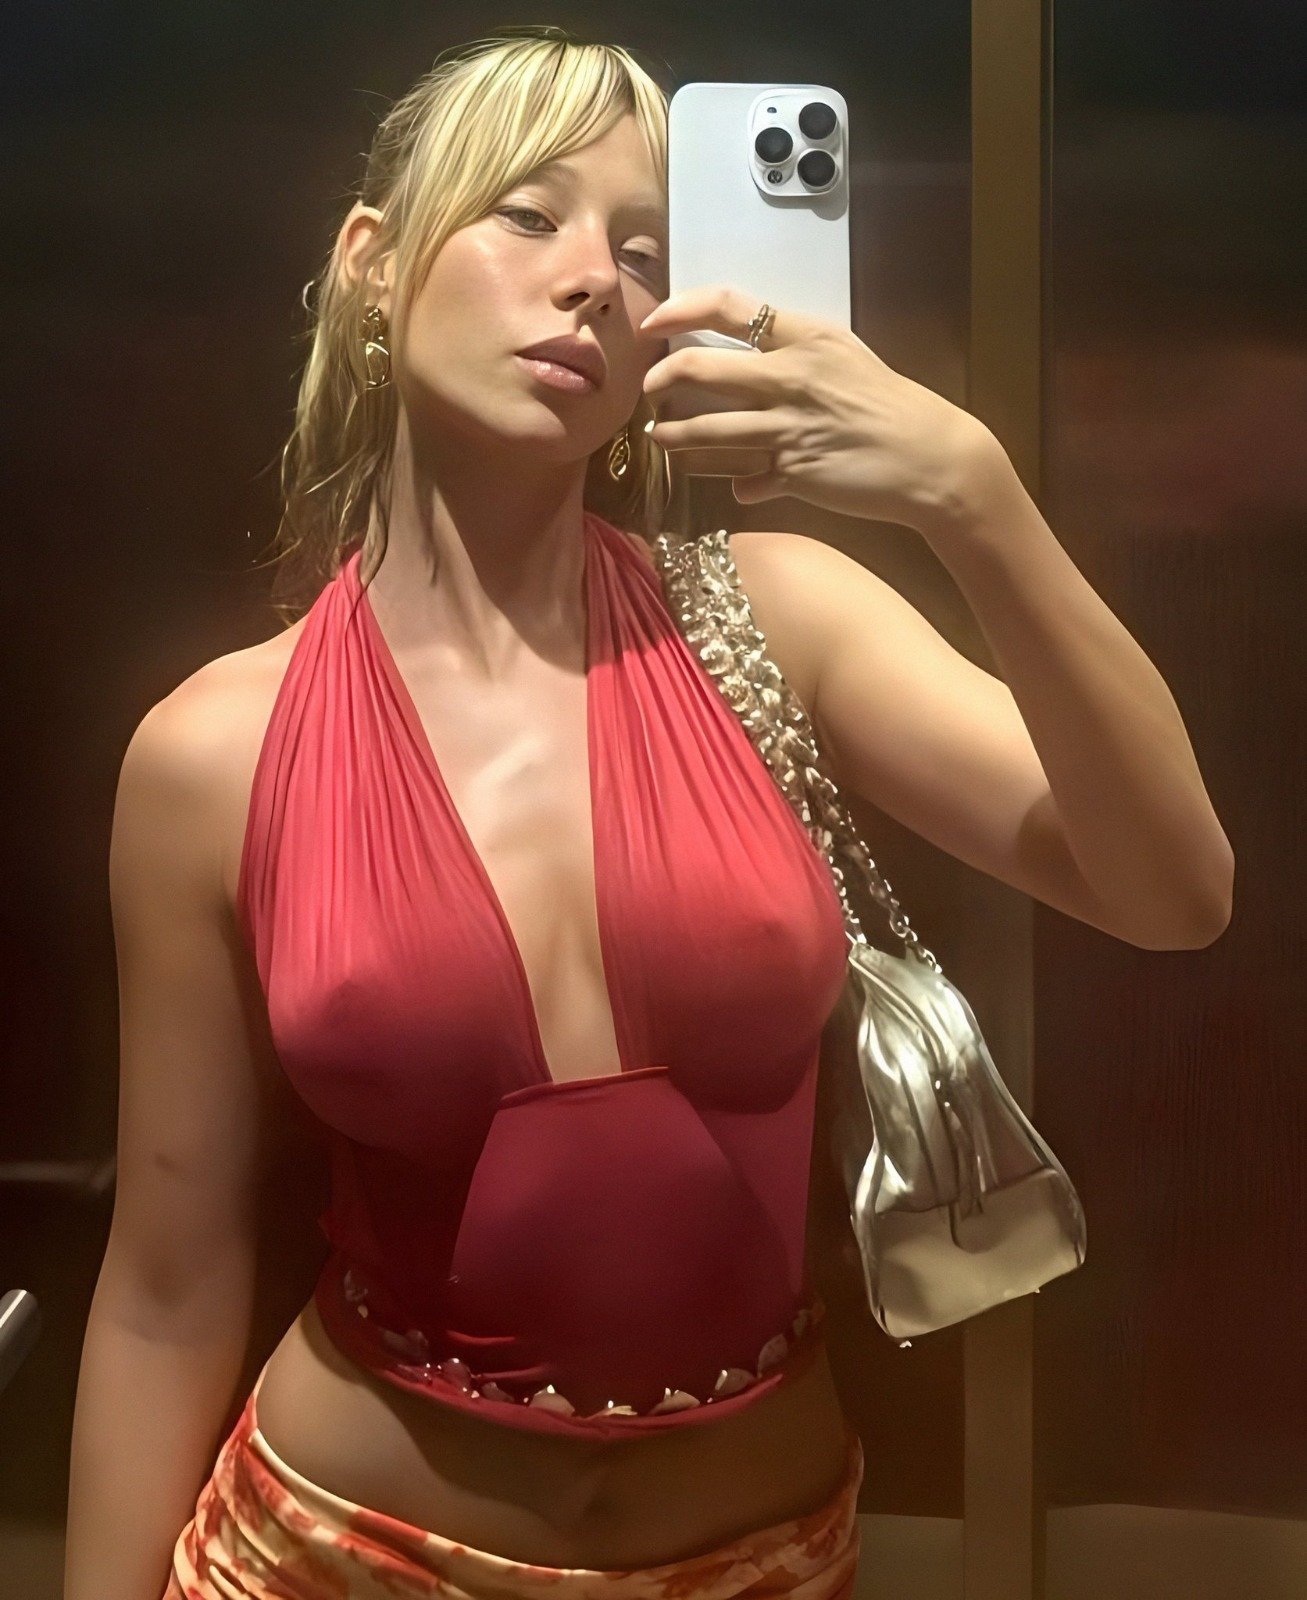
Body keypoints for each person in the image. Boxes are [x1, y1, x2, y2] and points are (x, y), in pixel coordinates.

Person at [64, 24, 1234, 1600]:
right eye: (527, 214)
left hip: (756, 1557)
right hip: (333, 1551)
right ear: (372, 264)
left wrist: (970, 492)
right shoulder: (215, 752)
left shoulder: (778, 619)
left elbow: (1174, 891)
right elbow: (164, 1286)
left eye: (644, 252)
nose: (593, 283)